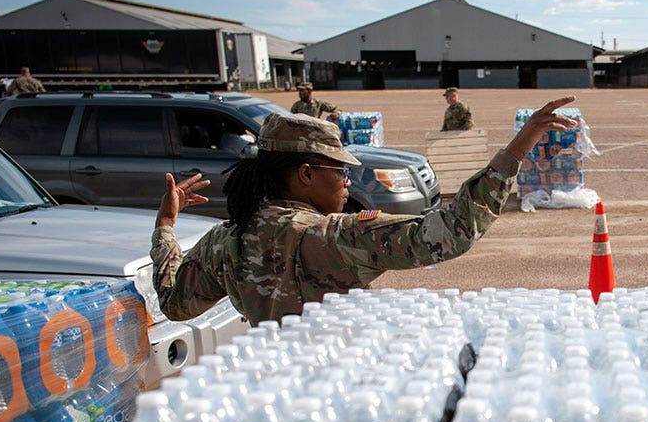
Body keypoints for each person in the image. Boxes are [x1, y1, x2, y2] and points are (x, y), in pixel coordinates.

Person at [151, 97, 578, 326]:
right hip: (341, 395)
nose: (348, 182)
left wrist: (166, 229)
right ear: (305, 174)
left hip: (273, 396)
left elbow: (174, 303)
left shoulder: (225, 239)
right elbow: (450, 231)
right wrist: (518, 147)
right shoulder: (328, 238)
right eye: (340, 172)